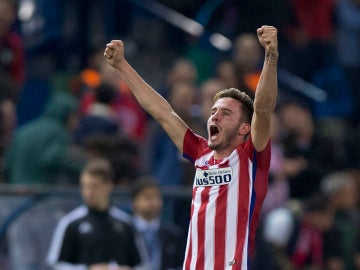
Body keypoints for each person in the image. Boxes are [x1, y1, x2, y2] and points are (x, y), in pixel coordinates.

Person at [104, 25, 278, 269]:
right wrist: (122, 65)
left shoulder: (251, 156)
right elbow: (162, 112)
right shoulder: (201, 152)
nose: (214, 117)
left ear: (244, 129)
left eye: (225, 113)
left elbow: (262, 108)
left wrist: (271, 56)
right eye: (213, 111)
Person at [46, 158, 141, 270]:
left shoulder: (126, 223)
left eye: (94, 186)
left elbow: (141, 265)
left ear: (109, 186)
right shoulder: (70, 223)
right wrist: (87, 268)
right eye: (84, 186)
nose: (88, 192)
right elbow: (55, 265)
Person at [131, 176, 186, 270]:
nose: (153, 201)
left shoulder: (174, 235)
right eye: (147, 197)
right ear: (134, 201)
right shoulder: (124, 232)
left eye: (157, 196)